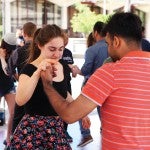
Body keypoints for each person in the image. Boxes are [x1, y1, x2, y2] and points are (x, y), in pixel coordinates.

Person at [40, 12, 150, 150]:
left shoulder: (110, 72)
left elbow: (69, 115)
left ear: (116, 41)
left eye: (108, 44)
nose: (108, 49)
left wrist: (48, 85)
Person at [9, 24, 76, 149]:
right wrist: (37, 73)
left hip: (56, 130)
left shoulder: (62, 66)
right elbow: (20, 100)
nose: (57, 54)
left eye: (61, 49)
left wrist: (82, 114)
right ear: (40, 45)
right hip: (32, 132)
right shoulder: (29, 69)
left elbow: (64, 93)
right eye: (52, 49)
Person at [75, 21, 108, 147]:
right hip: (108, 87)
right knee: (104, 113)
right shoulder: (114, 48)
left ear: (95, 33)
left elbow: (86, 70)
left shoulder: (92, 50)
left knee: (79, 110)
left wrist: (77, 70)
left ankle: (86, 134)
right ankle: (105, 134)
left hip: (92, 86)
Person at [8, 22, 37, 133]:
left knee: (18, 118)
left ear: (24, 34)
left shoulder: (18, 52)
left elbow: (9, 70)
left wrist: (19, 78)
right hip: (38, 91)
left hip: (23, 90)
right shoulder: (41, 51)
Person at [0, 33, 17, 148]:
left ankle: (8, 138)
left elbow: (9, 72)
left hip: (8, 85)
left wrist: (2, 58)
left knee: (13, 112)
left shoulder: (13, 54)